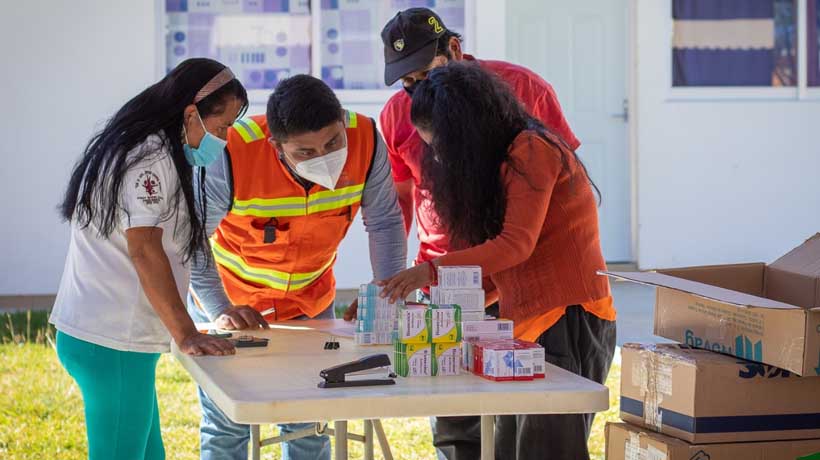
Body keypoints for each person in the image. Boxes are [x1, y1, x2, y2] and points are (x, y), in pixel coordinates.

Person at [343, 7, 583, 459]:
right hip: (447, 282)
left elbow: (554, 200)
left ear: (453, 49)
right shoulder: (400, 115)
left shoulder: (525, 93)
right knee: (456, 423)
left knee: (530, 433)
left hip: (521, 282)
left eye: (422, 75)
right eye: (406, 84)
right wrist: (395, 283)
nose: (415, 92)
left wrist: (436, 273)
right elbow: (400, 202)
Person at [379, 62, 617, 460]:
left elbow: (514, 245)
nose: (438, 155)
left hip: (568, 319)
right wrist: (447, 311)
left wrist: (430, 269)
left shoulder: (533, 149)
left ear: (467, 130)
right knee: (508, 449)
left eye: (441, 144)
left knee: (546, 450)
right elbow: (504, 264)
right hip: (528, 323)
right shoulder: (506, 158)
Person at [186, 74, 406, 460]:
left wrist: (383, 294)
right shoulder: (234, 150)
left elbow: (386, 222)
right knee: (229, 424)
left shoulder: (366, 138)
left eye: (333, 142)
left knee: (309, 421)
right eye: (305, 152)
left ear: (341, 119)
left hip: (310, 302)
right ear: (276, 145)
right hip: (233, 304)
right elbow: (192, 240)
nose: (324, 157)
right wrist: (220, 308)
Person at [50, 58, 249, 460]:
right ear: (191, 113)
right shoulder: (149, 157)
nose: (225, 138)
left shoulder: (149, 148)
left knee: (148, 453)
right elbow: (145, 248)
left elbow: (179, 244)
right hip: (111, 341)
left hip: (114, 343)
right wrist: (186, 332)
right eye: (223, 126)